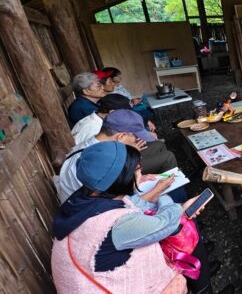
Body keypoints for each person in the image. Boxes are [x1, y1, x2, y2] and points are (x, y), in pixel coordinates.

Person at [51, 142, 220, 293]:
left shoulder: (87, 196)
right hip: (107, 286)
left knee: (179, 222)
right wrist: (162, 194)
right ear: (121, 179)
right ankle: (203, 288)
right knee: (181, 229)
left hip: (94, 279)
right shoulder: (116, 224)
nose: (141, 170)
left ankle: (200, 276)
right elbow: (167, 221)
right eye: (137, 168)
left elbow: (134, 203)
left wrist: (170, 203)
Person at [56, 125, 144, 204]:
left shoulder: (93, 151)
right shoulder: (99, 162)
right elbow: (109, 199)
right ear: (121, 136)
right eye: (135, 141)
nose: (134, 144)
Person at [103, 109, 176, 175]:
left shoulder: (107, 139)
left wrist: (132, 149)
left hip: (126, 157)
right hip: (125, 169)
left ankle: (158, 174)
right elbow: (120, 172)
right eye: (136, 136)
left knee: (159, 144)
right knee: (168, 157)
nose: (137, 139)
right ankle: (169, 184)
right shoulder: (100, 151)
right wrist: (133, 153)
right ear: (122, 136)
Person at [103, 67, 156, 131]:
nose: (120, 78)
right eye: (118, 76)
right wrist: (147, 122)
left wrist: (132, 100)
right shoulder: (110, 92)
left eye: (120, 76)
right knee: (147, 113)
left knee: (149, 109)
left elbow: (125, 99)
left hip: (130, 107)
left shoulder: (119, 86)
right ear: (109, 79)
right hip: (128, 111)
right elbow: (122, 107)